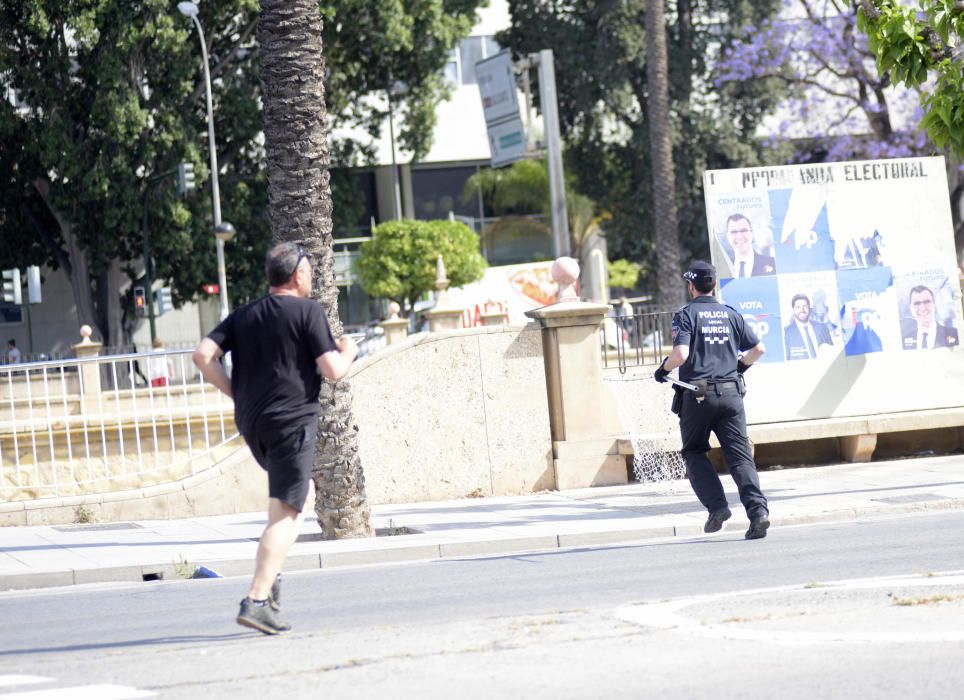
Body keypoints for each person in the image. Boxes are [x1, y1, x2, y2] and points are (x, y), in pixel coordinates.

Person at [192, 242, 358, 635]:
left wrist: (237, 392)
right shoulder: (308, 311)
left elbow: (202, 356)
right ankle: (257, 598)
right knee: (289, 511)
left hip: (255, 424)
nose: (312, 277)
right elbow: (333, 370)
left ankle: (273, 578)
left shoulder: (244, 314)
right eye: (310, 271)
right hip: (292, 422)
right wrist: (349, 350)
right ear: (299, 274)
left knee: (287, 501)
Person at [654, 261, 770, 540]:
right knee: (740, 457)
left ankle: (717, 507)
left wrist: (663, 370)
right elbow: (758, 349)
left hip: (698, 396)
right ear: (714, 285)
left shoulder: (686, 315)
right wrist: (738, 369)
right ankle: (758, 513)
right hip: (732, 394)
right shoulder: (731, 314)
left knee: (694, 452)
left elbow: (680, 355)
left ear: (691, 286)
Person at [900, 285, 959, 350]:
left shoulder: (954, 334)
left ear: (934, 304)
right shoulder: (903, 340)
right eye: (917, 303)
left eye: (926, 302)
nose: (923, 308)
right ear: (911, 308)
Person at [783, 293, 834, 360]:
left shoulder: (822, 328)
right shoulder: (786, 333)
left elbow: (832, 353)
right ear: (793, 309)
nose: (802, 310)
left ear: (809, 308)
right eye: (798, 307)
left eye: (805, 306)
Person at [725, 213, 776, 277]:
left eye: (744, 231)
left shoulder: (772, 263)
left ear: (751, 233)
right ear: (727, 236)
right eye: (734, 232)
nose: (739, 237)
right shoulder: (723, 267)